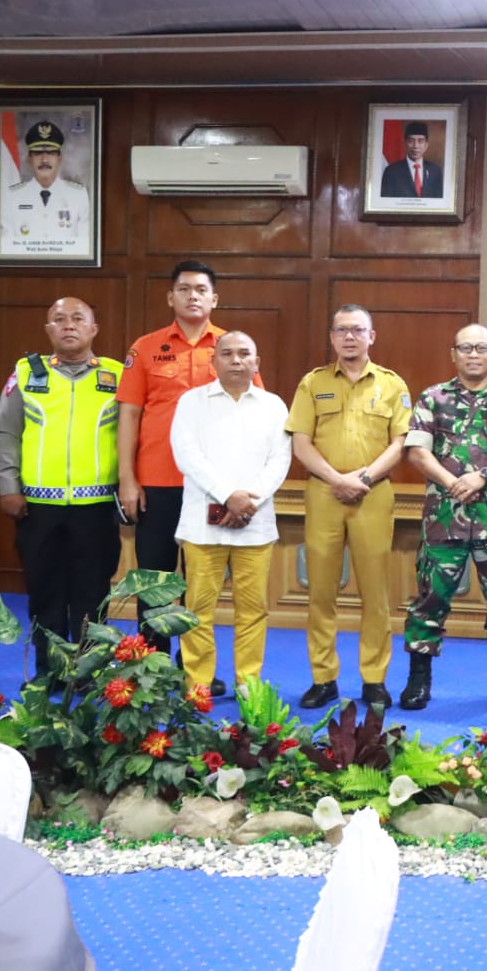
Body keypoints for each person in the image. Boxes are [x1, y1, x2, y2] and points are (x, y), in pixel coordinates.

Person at [117, 259, 242, 699]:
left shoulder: (231, 348)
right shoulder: (146, 348)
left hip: (210, 486)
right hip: (157, 482)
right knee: (154, 579)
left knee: (200, 585)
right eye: (184, 288)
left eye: (201, 289)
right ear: (170, 297)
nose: (193, 296)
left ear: (214, 299)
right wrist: (127, 480)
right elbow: (129, 416)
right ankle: (150, 666)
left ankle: (195, 670)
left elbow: (252, 413)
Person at [398, 324, 487, 711]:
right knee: (431, 598)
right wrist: (452, 482)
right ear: (453, 354)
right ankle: (418, 680)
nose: (474, 354)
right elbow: (417, 451)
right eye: (466, 348)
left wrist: (482, 476)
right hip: (444, 515)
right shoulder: (433, 398)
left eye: (482, 348)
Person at [287, 305, 412, 709]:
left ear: (371, 337)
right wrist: (337, 479)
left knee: (375, 592)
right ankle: (324, 678)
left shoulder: (392, 385)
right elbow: (300, 442)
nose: (350, 337)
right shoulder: (313, 383)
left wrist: (362, 479)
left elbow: (401, 443)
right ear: (332, 337)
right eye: (342, 330)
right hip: (324, 493)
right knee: (320, 591)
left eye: (358, 330)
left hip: (373, 495)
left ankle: (374, 679)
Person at [0, 298, 122, 674]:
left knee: (92, 594)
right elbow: (6, 432)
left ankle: (86, 673)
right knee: (45, 593)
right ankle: (50, 674)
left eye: (78, 319)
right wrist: (7, 487)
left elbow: (133, 436)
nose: (69, 325)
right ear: (48, 330)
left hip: (96, 509)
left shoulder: (115, 375)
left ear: (93, 329)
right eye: (59, 320)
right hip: (37, 507)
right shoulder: (26, 373)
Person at [168, 332, 291, 696]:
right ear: (214, 361)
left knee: (253, 611)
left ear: (257, 362)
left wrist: (247, 501)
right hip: (201, 528)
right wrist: (228, 496)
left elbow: (279, 460)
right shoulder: (192, 402)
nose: (236, 360)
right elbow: (186, 455)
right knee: (197, 611)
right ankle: (198, 686)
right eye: (227, 354)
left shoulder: (274, 406)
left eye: (244, 354)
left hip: (255, 525)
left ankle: (248, 685)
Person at [0, 120, 91, 250]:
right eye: (37, 153)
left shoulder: (78, 195)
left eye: (51, 153)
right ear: (29, 159)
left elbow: (85, 245)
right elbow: (6, 245)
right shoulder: (12, 196)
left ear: (59, 158)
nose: (44, 160)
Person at [379, 121, 444, 198]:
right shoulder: (391, 171)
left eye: (420, 141)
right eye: (411, 141)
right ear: (405, 143)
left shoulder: (435, 170)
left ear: (426, 145)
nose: (415, 146)